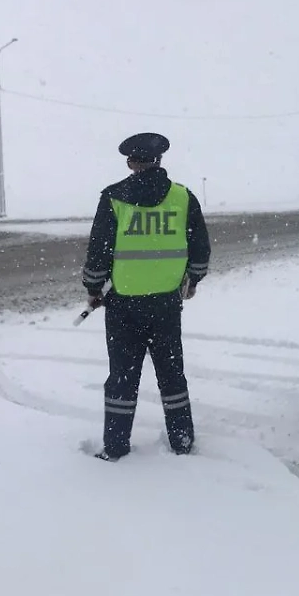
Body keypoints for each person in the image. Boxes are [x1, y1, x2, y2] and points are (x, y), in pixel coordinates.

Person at [81, 132, 210, 461]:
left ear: (131, 162)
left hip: (123, 306)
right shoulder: (183, 198)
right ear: (159, 160)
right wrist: (193, 280)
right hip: (166, 304)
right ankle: (182, 441)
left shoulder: (113, 198)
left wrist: (94, 289)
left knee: (122, 378)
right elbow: (200, 249)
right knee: (172, 375)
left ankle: (116, 446)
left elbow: (99, 251)